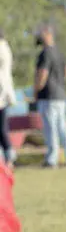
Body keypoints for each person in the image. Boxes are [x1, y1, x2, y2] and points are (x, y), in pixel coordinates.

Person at [34, 26, 66, 168]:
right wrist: (61, 83)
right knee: (62, 128)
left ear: (48, 35)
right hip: (60, 95)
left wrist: (37, 89)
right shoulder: (60, 52)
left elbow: (43, 73)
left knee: (50, 128)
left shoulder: (45, 53)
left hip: (48, 96)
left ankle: (52, 160)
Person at [0, 30, 16, 168]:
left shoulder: (1, 48)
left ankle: (9, 159)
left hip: (1, 95)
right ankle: (8, 159)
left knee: (2, 129)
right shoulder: (4, 47)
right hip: (4, 94)